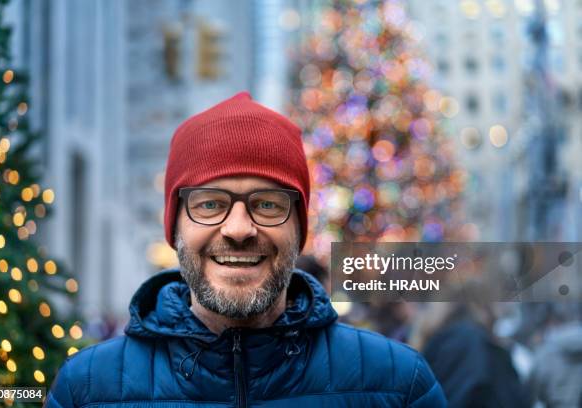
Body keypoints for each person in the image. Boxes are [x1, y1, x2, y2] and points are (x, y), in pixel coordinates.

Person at [45, 92, 446, 407]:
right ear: (175, 226)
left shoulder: (398, 385)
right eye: (210, 204)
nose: (238, 229)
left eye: (268, 204)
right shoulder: (87, 390)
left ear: (300, 228)